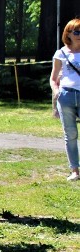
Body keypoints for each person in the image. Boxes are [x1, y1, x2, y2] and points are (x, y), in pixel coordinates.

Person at [50, 18, 80, 181]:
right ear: (68, 33)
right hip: (66, 95)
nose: (79, 35)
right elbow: (53, 77)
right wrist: (56, 91)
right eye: (76, 32)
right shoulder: (61, 53)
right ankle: (75, 170)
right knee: (70, 134)